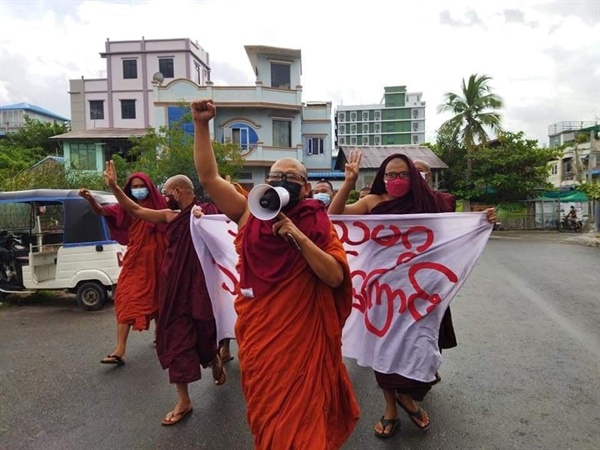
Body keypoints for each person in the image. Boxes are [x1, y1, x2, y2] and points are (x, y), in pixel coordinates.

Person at [191, 99, 360, 449]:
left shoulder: (316, 223)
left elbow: (334, 277)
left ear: (307, 188)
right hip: (262, 337)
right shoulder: (248, 215)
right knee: (270, 417)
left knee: (303, 422)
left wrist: (298, 238)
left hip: (301, 338)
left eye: (291, 178)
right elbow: (208, 177)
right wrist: (202, 125)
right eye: (275, 177)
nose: (282, 182)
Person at [328, 149, 497, 438]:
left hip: (419, 291)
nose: (396, 179)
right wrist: (349, 182)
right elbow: (334, 215)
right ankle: (391, 408)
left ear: (414, 178)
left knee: (420, 347)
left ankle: (410, 395)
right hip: (380, 291)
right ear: (382, 177)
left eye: (403, 174)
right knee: (384, 350)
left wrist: (483, 219)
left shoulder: (428, 202)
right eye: (391, 174)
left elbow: (454, 231)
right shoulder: (372, 201)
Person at [103, 163, 226, 426]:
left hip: (203, 288)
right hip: (175, 289)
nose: (164, 195)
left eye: (167, 192)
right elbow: (135, 209)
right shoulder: (170, 216)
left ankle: (213, 356)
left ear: (179, 192)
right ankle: (184, 400)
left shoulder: (210, 214)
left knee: (206, 331)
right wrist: (114, 187)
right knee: (175, 340)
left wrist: (204, 221)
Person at [79, 173, 168, 366]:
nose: (138, 189)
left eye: (140, 185)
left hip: (158, 261)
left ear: (150, 187)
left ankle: (161, 337)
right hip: (135, 262)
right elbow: (101, 212)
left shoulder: (161, 205)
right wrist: (91, 200)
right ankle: (120, 349)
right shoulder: (126, 207)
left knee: (159, 300)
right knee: (124, 299)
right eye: (134, 186)